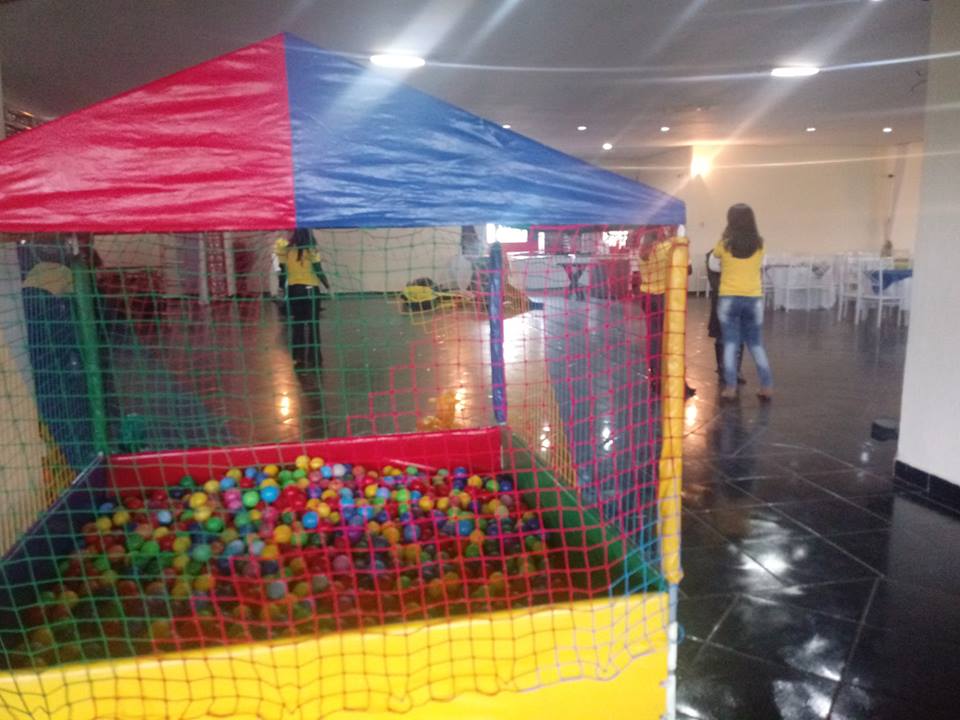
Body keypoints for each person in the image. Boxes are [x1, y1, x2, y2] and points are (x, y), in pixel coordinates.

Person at [713, 204, 773, 401]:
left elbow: (714, 262)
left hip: (729, 298)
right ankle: (766, 386)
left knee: (731, 344)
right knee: (756, 344)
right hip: (754, 298)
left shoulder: (724, 244)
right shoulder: (760, 244)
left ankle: (730, 387)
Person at [637, 229, 695, 398]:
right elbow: (688, 269)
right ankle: (677, 381)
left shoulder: (642, 252)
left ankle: (655, 380)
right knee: (672, 341)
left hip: (647, 298)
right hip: (665, 298)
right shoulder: (669, 246)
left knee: (654, 340)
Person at [277, 229, 330, 367]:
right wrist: (327, 286)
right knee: (313, 325)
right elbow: (318, 270)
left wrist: (282, 288)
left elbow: (283, 271)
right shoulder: (311, 250)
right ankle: (315, 357)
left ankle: (298, 357)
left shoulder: (287, 250)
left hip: (294, 291)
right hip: (311, 290)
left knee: (298, 324)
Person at [706, 249, 744, 383]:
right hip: (723, 301)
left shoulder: (742, 253)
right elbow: (715, 284)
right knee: (722, 336)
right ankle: (722, 369)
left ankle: (736, 369)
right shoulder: (714, 255)